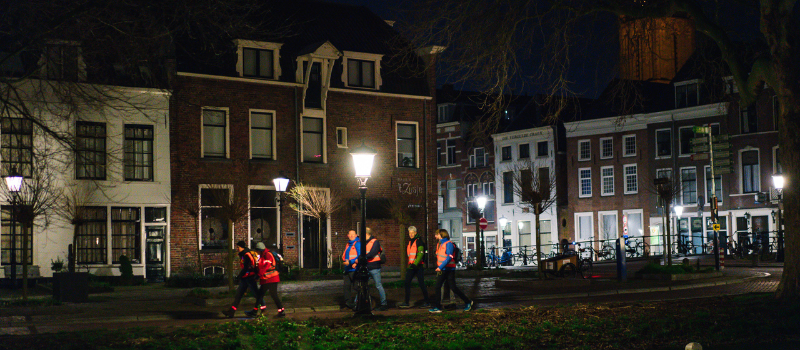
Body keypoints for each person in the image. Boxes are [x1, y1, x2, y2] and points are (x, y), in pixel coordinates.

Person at [429, 229, 473, 313]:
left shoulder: (448, 244)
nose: (435, 236)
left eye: (436, 234)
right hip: (445, 269)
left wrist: (440, 267)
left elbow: (449, 257)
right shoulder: (440, 244)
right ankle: (467, 302)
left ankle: (439, 307)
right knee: (445, 287)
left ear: (441, 235)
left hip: (447, 269)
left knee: (447, 287)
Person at [222, 241, 260, 318]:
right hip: (245, 278)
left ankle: (263, 310)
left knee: (257, 295)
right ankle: (231, 312)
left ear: (242, 247)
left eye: (238, 247)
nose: (237, 249)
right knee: (238, 295)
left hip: (250, 278)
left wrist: (239, 276)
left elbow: (246, 267)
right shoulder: (244, 254)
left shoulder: (246, 255)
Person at [398, 226, 430, 308]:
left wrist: (415, 264)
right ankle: (406, 302)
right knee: (407, 283)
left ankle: (427, 302)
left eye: (412, 233)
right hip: (412, 266)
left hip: (417, 266)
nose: (411, 234)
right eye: (409, 233)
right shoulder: (410, 242)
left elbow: (420, 254)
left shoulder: (419, 241)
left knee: (421, 284)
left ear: (415, 233)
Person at [251, 242, 285, 317]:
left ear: (260, 250)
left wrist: (258, 276)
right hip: (268, 278)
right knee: (264, 295)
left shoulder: (267, 255)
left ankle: (257, 311)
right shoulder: (264, 255)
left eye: (257, 251)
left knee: (265, 295)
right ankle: (258, 310)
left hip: (270, 278)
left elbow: (265, 267)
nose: (256, 252)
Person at [363, 227, 388, 311]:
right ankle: (359, 303)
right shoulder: (364, 242)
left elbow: (372, 253)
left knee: (378, 285)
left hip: (374, 267)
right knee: (363, 285)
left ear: (366, 234)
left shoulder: (375, 242)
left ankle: (384, 304)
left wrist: (362, 257)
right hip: (367, 266)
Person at [341, 230, 360, 309]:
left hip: (354, 269)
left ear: (356, 235)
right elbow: (345, 256)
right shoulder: (348, 244)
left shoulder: (357, 244)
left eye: (353, 234)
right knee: (346, 287)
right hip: (347, 269)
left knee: (356, 287)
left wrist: (352, 262)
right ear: (347, 235)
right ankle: (348, 303)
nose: (352, 236)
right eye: (350, 234)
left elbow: (359, 255)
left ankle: (359, 302)